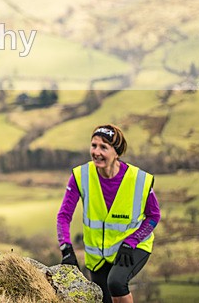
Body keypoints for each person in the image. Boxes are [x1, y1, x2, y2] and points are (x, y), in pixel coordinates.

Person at [56, 124, 161, 303]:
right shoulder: (81, 175)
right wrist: (66, 249)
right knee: (101, 298)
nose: (96, 152)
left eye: (103, 147)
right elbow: (64, 215)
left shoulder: (138, 179)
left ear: (116, 153)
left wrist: (131, 242)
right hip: (97, 255)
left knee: (117, 283)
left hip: (132, 247)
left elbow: (154, 216)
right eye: (94, 145)